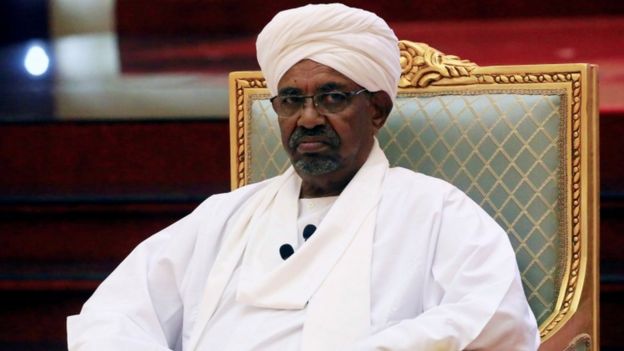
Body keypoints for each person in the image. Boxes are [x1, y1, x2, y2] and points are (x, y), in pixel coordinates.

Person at [67, 3, 540, 350]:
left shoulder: (433, 209)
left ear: (375, 110)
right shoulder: (225, 216)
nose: (308, 118)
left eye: (333, 97)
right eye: (291, 100)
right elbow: (115, 314)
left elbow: (494, 319)